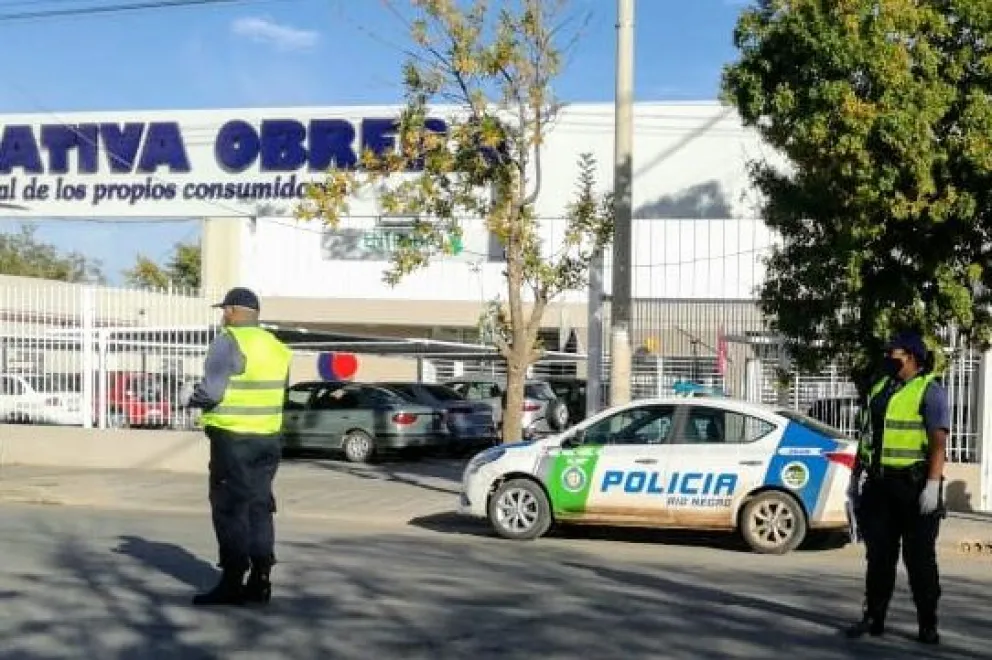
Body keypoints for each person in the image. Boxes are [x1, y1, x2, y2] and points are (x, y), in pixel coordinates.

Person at [186, 287, 292, 606]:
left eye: (224, 310)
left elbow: (212, 392)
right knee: (259, 506)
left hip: (233, 440)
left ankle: (232, 581)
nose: (222, 316)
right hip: (268, 439)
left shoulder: (227, 341)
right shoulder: (277, 347)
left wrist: (191, 398)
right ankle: (260, 579)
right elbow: (282, 393)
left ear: (232, 311)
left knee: (230, 507)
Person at [846, 331, 949, 645]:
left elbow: (938, 442)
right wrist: (854, 477)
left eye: (894, 353)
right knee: (879, 556)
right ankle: (874, 617)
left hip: (914, 487)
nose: (888, 358)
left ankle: (927, 623)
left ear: (912, 357)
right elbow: (867, 436)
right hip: (879, 485)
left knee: (919, 560)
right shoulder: (880, 387)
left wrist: (933, 485)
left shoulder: (930, 391)